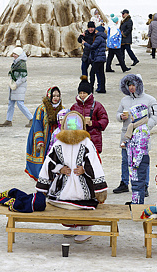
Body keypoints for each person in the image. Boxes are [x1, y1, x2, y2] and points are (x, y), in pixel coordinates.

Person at [36, 110, 107, 242]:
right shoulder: (59, 143)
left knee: (83, 204)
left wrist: (85, 170)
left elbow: (94, 163)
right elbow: (49, 163)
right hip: (65, 182)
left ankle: (86, 228)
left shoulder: (86, 143)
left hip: (83, 183)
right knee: (64, 203)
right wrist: (59, 169)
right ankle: (74, 225)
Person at [113, 74, 157, 197]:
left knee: (142, 160)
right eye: (129, 85)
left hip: (141, 136)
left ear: (139, 85)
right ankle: (124, 183)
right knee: (125, 160)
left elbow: (156, 116)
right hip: (126, 135)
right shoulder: (124, 100)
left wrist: (144, 127)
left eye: (134, 85)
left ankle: (144, 185)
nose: (131, 88)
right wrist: (120, 117)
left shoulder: (150, 99)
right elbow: (118, 114)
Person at [25, 86, 64, 180]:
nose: (55, 98)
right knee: (42, 158)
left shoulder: (62, 109)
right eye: (54, 96)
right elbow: (37, 125)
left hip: (56, 139)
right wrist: (39, 140)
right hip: (43, 138)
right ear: (49, 96)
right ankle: (42, 178)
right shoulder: (41, 109)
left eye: (58, 96)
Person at [70, 75, 109, 154]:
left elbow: (104, 120)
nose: (82, 95)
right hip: (78, 139)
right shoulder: (74, 107)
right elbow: (69, 123)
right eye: (80, 93)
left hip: (94, 139)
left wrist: (93, 123)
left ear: (89, 93)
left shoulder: (97, 106)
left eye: (84, 93)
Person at [0, 47, 33, 127]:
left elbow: (23, 77)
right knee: (11, 103)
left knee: (20, 103)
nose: (13, 55)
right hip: (14, 87)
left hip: (19, 87)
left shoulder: (21, 63)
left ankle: (32, 119)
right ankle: (8, 120)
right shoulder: (16, 62)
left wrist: (16, 84)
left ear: (18, 54)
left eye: (15, 54)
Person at [86, 25, 107, 93]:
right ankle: (102, 88)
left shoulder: (98, 38)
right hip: (102, 58)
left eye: (96, 30)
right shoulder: (103, 38)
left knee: (92, 73)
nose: (95, 32)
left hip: (98, 58)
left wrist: (85, 44)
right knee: (101, 73)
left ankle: (91, 88)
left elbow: (93, 47)